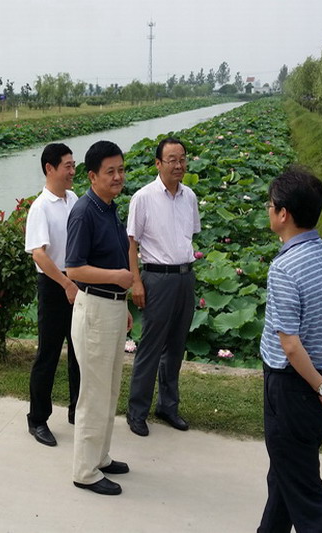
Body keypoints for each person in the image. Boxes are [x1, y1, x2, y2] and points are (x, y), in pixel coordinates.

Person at [257, 167, 322, 532]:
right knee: (284, 478)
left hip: (294, 386)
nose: (268, 210)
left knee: (307, 500)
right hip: (319, 376)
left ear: (284, 214)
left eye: (271, 205)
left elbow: (290, 345)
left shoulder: (285, 268)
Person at [66, 140, 133, 496]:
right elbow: (74, 269)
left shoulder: (109, 207)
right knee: (93, 393)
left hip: (113, 307)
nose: (118, 176)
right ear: (92, 176)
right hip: (95, 308)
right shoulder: (84, 212)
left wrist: (123, 304)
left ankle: (100, 457)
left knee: (109, 388)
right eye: (110, 171)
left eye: (121, 170)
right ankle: (85, 471)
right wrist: (117, 278)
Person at [125, 137, 201, 437]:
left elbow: (190, 235)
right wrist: (136, 281)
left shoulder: (189, 196)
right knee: (151, 347)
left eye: (182, 159)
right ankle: (137, 411)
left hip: (185, 276)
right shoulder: (143, 198)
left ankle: (168, 406)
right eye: (172, 160)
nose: (178, 165)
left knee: (176, 345)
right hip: (156, 278)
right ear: (158, 164)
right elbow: (131, 243)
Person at [24, 143, 81, 447]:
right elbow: (39, 254)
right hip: (54, 285)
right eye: (67, 166)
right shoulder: (41, 207)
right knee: (48, 354)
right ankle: (37, 419)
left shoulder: (74, 199)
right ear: (50, 168)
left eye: (73, 165)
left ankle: (77, 410)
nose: (73, 171)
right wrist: (66, 284)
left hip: (77, 282)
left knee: (79, 352)